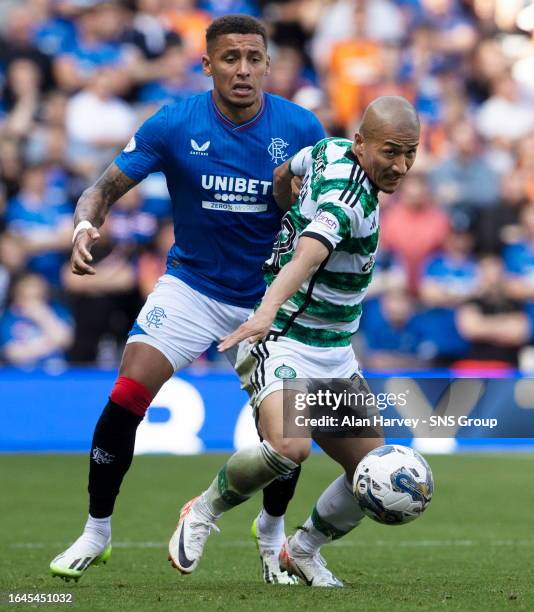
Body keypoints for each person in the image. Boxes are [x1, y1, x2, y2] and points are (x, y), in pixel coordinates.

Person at [50, 14, 325, 584]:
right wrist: (83, 227)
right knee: (127, 392)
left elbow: (325, 214)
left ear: (268, 64)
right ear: (207, 65)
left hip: (268, 297)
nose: (243, 69)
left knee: (287, 433)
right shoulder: (175, 123)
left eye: (254, 58)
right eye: (230, 58)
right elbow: (102, 188)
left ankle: (272, 536)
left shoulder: (302, 129)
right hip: (192, 288)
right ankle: (96, 532)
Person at [169, 96, 420, 587]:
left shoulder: (326, 151)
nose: (402, 166)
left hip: (335, 351)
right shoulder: (349, 203)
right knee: (290, 447)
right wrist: (264, 312)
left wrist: (287, 203)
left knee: (372, 470)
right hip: (283, 337)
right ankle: (201, 512)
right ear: (362, 144)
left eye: (410, 153)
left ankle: (301, 549)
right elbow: (308, 254)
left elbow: (285, 171)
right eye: (391, 152)